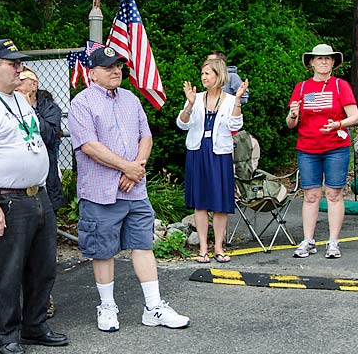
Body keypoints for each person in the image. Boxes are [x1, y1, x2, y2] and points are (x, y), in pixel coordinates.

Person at [69, 46, 190, 333]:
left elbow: (145, 136)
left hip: (134, 189)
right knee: (103, 250)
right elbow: (89, 146)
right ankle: (107, 307)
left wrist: (135, 169)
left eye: (119, 66)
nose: (116, 71)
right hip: (100, 192)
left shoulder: (130, 99)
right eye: (109, 67)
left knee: (143, 245)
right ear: (92, 72)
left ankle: (154, 306)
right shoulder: (81, 103)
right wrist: (126, 167)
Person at [0, 39, 66, 354]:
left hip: (38, 195)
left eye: (20, 63)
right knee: (7, 271)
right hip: (8, 200)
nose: (19, 68)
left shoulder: (20, 101)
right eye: (14, 64)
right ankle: (5, 333)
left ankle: (34, 325)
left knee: (43, 267)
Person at [286, 44, 358, 259]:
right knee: (310, 195)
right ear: (311, 63)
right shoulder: (301, 88)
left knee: (334, 194)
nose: (324, 62)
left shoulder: (340, 85)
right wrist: (293, 114)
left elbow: (355, 116)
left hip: (336, 147)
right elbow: (291, 124)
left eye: (328, 59)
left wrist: (337, 125)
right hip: (308, 147)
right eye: (319, 59)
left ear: (333, 62)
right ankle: (308, 240)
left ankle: (333, 242)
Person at [178, 58, 247, 263]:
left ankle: (218, 247)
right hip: (198, 152)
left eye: (207, 73)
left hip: (219, 154)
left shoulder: (229, 99)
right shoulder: (196, 98)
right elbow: (182, 124)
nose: (203, 77)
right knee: (200, 203)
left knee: (220, 203)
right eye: (202, 74)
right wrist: (190, 104)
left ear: (219, 75)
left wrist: (237, 101)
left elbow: (235, 123)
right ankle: (202, 248)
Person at [16, 65, 64, 318]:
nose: (18, 82)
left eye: (23, 79)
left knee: (44, 250)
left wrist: (28, 111)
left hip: (46, 184)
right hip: (16, 189)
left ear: (33, 85)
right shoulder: (7, 106)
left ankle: (45, 299)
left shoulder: (48, 108)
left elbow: (48, 134)